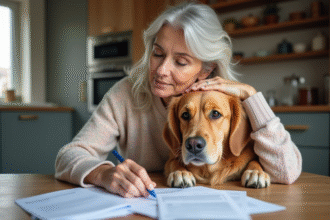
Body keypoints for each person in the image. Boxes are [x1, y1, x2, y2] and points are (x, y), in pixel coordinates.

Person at [55, 2, 302, 198]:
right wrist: (104, 174)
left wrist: (251, 96)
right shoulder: (125, 94)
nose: (161, 70)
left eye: (181, 62)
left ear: (206, 70)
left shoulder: (226, 102)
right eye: (158, 54)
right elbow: (69, 155)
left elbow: (287, 171)